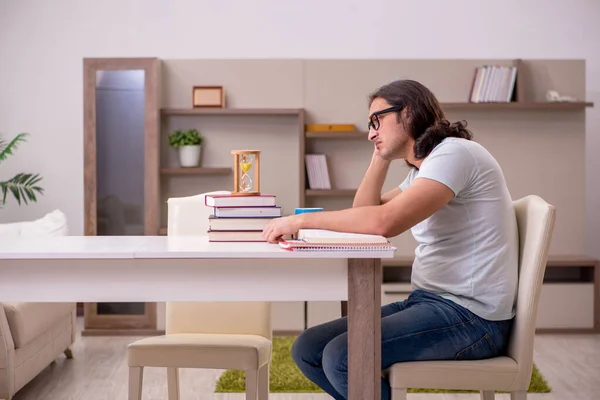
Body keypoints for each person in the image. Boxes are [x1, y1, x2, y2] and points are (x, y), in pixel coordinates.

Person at [261, 79, 518, 400]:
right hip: (430, 302)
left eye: (376, 121)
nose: (370, 133)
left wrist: (301, 220)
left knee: (343, 357)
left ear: (408, 113)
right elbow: (364, 214)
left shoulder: (455, 154)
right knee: (308, 348)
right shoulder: (422, 172)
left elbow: (383, 222)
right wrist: (380, 154)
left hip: (472, 319)